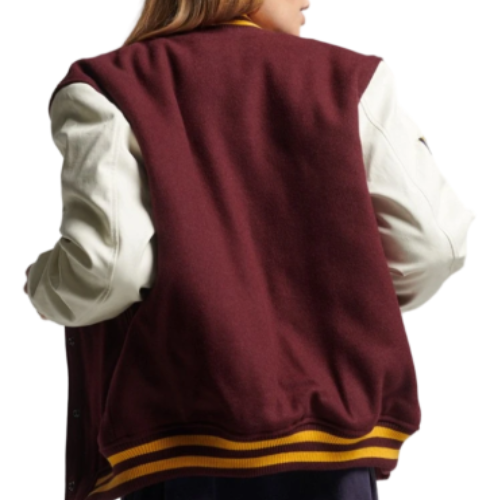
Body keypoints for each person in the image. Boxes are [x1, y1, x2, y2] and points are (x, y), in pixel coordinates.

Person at [24, 1, 475, 499]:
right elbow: (435, 247)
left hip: (182, 444)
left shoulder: (107, 87)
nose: (309, 0)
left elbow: (107, 269)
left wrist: (42, 286)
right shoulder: (350, 80)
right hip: (333, 446)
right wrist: (331, 307)